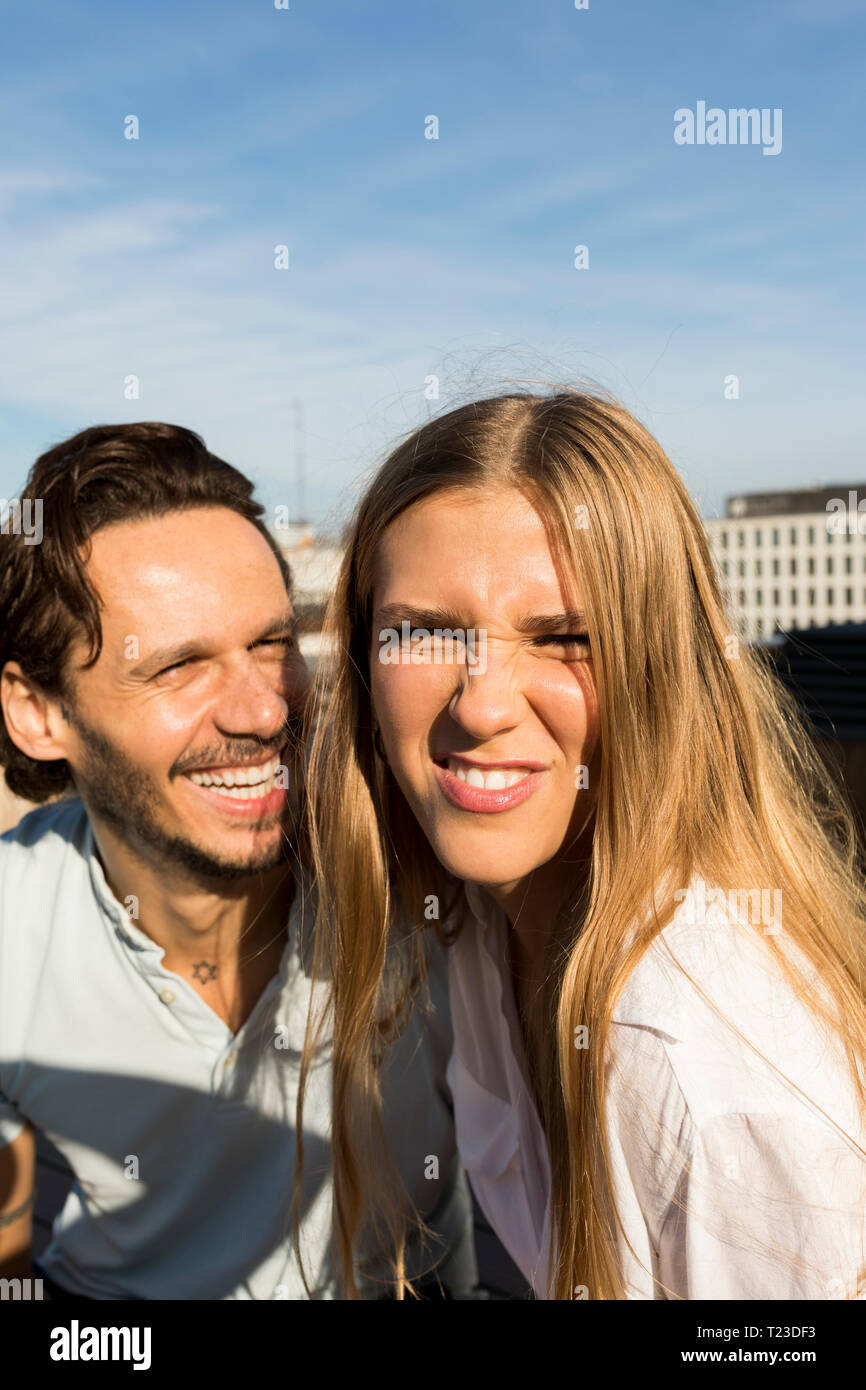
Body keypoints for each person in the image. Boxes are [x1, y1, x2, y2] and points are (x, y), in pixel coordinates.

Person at [306, 389, 866, 1299]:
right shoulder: (495, 916)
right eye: (425, 633)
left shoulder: (696, 1061)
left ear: (663, 669)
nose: (481, 704)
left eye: (565, 637)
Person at [0, 422, 476, 1300]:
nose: (262, 711)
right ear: (37, 711)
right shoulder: (12, 930)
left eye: (270, 643)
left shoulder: (437, 877)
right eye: (178, 667)